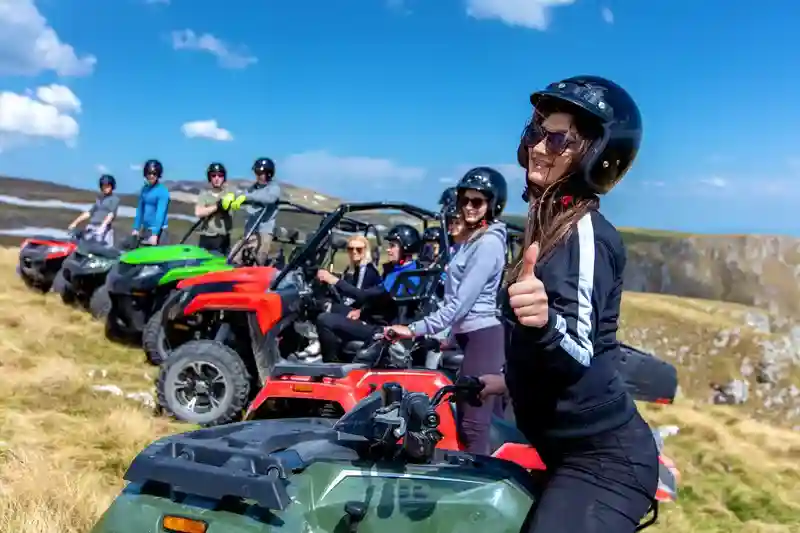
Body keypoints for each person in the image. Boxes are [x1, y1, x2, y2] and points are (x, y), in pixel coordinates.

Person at [477, 76, 659, 533]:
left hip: (602, 463)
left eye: (558, 139)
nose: (540, 147)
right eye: (537, 133)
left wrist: (542, 324)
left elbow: (579, 346)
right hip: (563, 449)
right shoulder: (550, 222)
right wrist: (506, 380)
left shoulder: (584, 232)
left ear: (598, 154)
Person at [384, 167, 509, 455]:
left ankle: (479, 484)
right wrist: (447, 337)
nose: (468, 207)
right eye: (465, 200)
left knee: (473, 424)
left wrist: (414, 329)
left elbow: (460, 304)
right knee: (465, 418)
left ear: (493, 204)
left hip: (483, 337)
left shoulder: (488, 244)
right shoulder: (471, 241)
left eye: (477, 202)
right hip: (469, 334)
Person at [314, 224, 421, 362]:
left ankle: (330, 367)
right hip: (381, 320)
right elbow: (380, 299)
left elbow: (363, 295)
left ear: (406, 248)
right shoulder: (410, 269)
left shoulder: (402, 275)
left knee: (324, 319)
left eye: (393, 245)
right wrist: (362, 311)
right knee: (335, 308)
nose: (388, 250)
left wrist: (334, 280)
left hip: (382, 329)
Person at [229, 158, 281, 265]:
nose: (258, 176)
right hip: (249, 231)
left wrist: (247, 197)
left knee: (258, 260)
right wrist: (232, 197)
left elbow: (269, 198)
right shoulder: (253, 188)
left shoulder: (273, 188)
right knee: (233, 258)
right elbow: (244, 194)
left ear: (269, 174)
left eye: (261, 173)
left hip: (264, 232)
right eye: (257, 172)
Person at [67, 174, 120, 246]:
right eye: (103, 186)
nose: (105, 188)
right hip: (92, 228)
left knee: (104, 250)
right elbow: (89, 213)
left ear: (112, 186)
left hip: (104, 229)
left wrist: (102, 227)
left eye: (108, 186)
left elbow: (111, 214)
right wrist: (75, 223)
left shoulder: (114, 199)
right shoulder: (99, 199)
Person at [195, 162, 234, 255]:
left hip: (222, 238)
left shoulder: (229, 193)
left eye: (220, 175)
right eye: (214, 175)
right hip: (206, 237)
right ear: (210, 177)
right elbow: (199, 212)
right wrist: (216, 206)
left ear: (224, 177)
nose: (217, 178)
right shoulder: (204, 195)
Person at [132, 159, 170, 245]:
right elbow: (140, 210)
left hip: (159, 231)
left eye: (154, 173)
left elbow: (161, 213)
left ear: (158, 175)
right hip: (145, 230)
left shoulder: (162, 191)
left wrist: (155, 234)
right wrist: (136, 228)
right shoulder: (144, 190)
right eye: (149, 173)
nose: (151, 176)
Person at [339, 235, 382, 307]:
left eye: (359, 249)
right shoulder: (350, 269)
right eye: (350, 249)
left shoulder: (370, 271)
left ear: (365, 250)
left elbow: (360, 295)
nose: (354, 252)